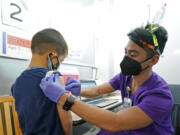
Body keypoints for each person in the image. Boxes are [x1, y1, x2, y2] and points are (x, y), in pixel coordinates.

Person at [40, 24, 174, 135]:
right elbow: (98, 90)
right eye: (125, 52)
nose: (126, 58)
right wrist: (79, 89)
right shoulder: (126, 77)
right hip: (128, 129)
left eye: (133, 54)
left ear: (153, 60)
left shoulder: (160, 96)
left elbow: (116, 122)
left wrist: (63, 98)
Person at [11, 28, 72, 135]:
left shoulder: (16, 83)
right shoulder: (55, 78)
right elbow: (66, 118)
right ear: (52, 56)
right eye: (61, 60)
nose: (59, 64)